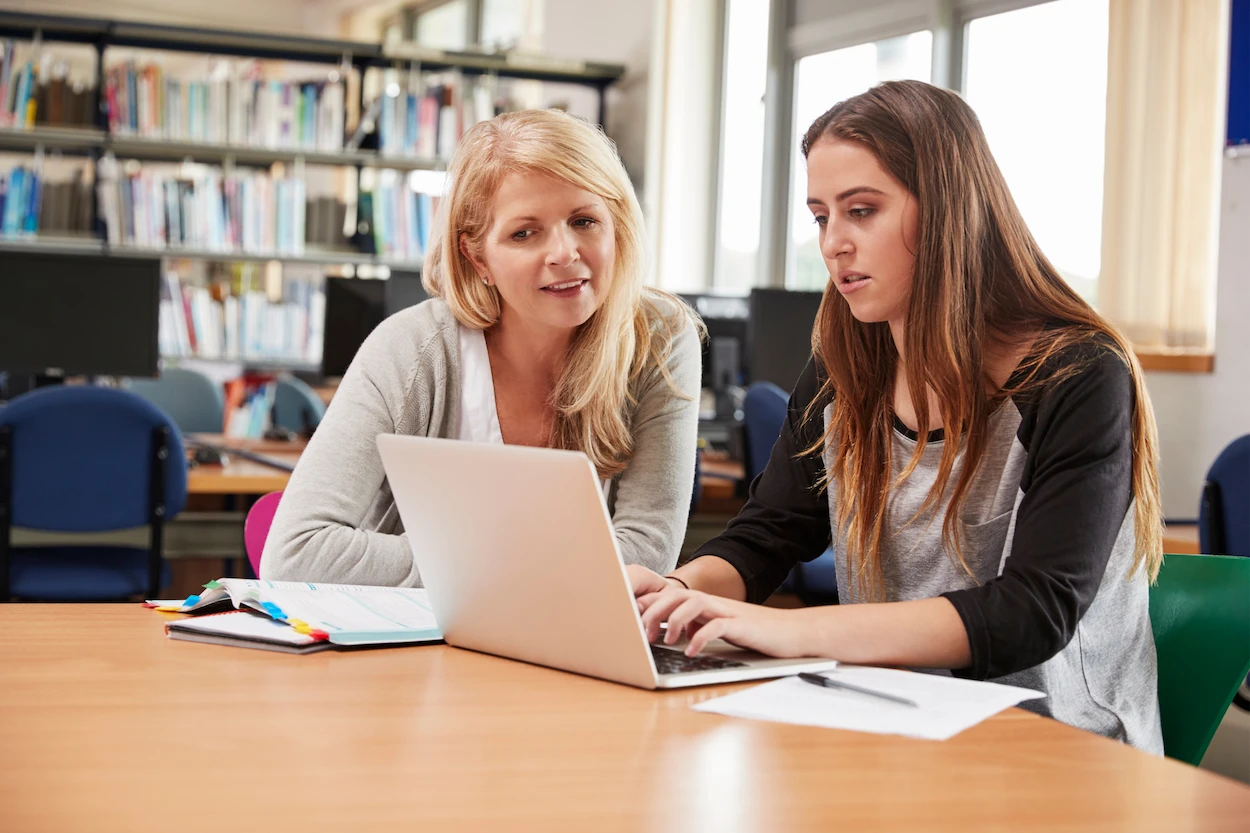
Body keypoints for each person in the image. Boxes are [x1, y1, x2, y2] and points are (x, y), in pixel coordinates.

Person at [631, 80, 1165, 752]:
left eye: (861, 210)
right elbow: (767, 535)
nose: (833, 243)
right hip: (895, 722)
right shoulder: (845, 371)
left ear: (947, 211)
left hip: (1059, 749)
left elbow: (1032, 614)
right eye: (822, 216)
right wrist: (673, 593)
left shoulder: (1077, 375)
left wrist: (784, 630)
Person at [263, 108, 702, 586]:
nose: (564, 252)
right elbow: (296, 554)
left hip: (566, 646)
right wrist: (520, 564)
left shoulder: (659, 338)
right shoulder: (410, 350)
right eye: (523, 233)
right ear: (477, 256)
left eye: (584, 220)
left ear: (616, 225)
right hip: (412, 645)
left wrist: (467, 561)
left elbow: (646, 551)